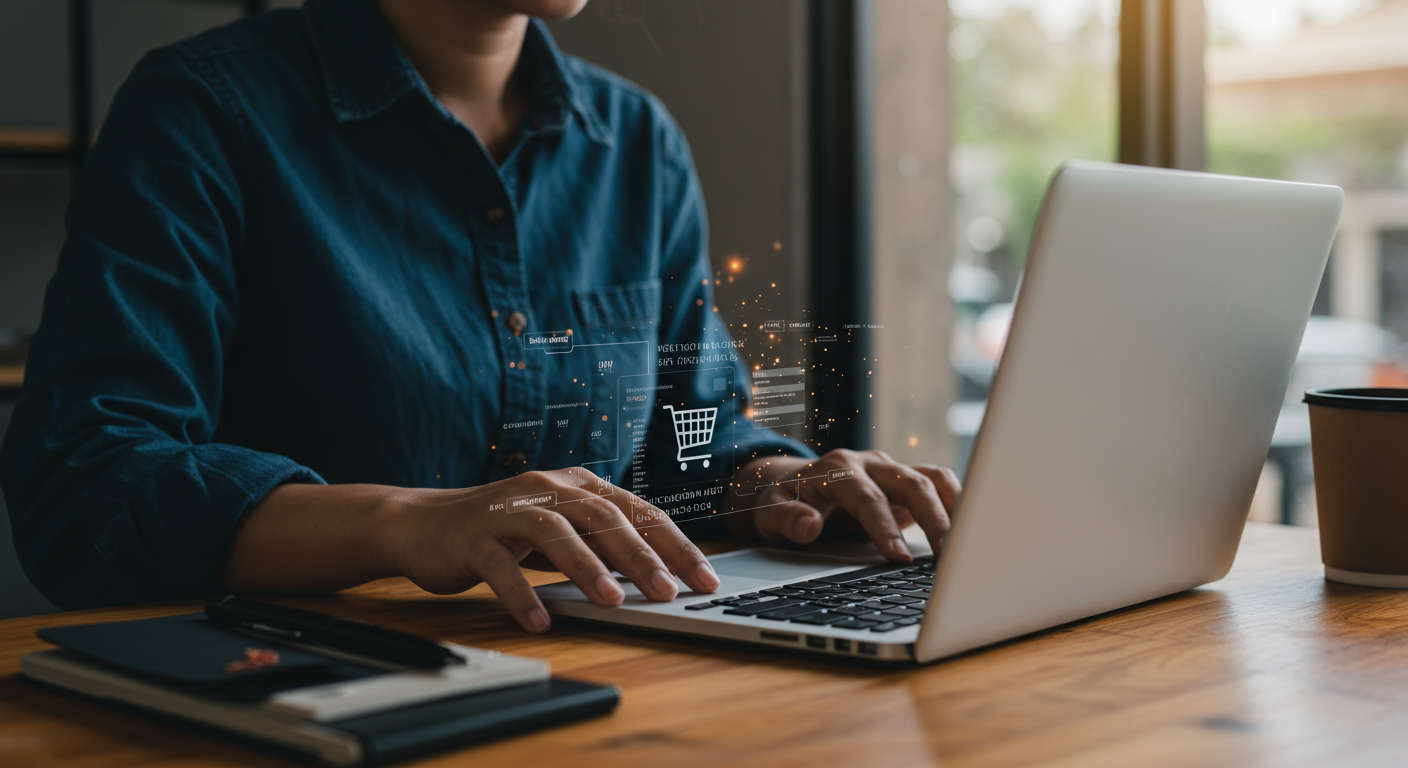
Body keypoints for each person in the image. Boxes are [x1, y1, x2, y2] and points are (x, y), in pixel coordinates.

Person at [0, 0, 960, 633]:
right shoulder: (205, 112)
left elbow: (685, 444)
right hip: (299, 695)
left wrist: (787, 486)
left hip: (600, 687)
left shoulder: (636, 144)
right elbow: (85, 488)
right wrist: (410, 524)